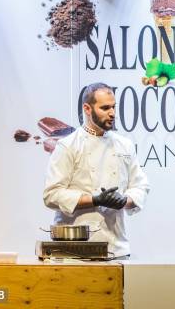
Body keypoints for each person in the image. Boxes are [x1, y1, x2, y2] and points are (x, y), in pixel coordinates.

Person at [43, 83, 150, 258]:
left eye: (114, 107)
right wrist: (95, 200)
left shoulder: (125, 144)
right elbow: (51, 195)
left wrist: (124, 200)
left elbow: (140, 186)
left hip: (117, 248)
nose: (113, 113)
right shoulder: (68, 145)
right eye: (105, 108)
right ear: (87, 108)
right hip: (75, 250)